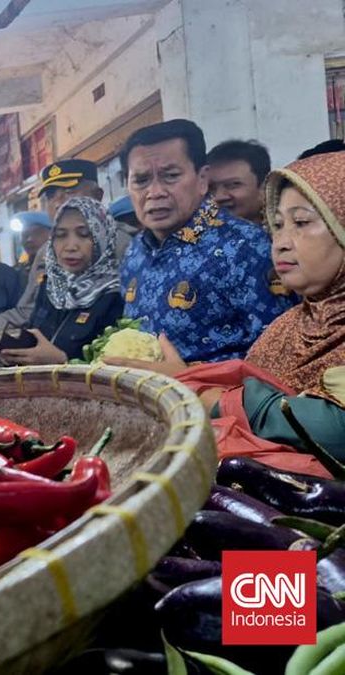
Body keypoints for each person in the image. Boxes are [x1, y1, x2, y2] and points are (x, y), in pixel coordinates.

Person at [164, 151, 345, 475]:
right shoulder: (287, 327)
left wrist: (210, 397)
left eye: (301, 223)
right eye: (277, 225)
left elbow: (336, 432)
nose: (281, 242)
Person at [106, 119, 294, 369]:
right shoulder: (134, 252)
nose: (155, 192)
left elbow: (280, 353)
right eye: (141, 180)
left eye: (170, 176)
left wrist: (191, 376)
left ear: (202, 179)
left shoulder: (245, 247)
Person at [0, 197, 126, 365]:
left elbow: (118, 367)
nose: (70, 246)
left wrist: (63, 361)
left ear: (103, 237)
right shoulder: (50, 286)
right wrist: (20, 355)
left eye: (84, 234)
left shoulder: (115, 295)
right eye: (60, 235)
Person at [207, 139, 270, 225]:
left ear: (264, 188)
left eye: (232, 185)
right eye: (210, 188)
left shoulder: (284, 231)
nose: (218, 197)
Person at [11, 211, 52, 286]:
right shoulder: (15, 273)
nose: (29, 239)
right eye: (25, 235)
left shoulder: (65, 269)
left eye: (37, 233)